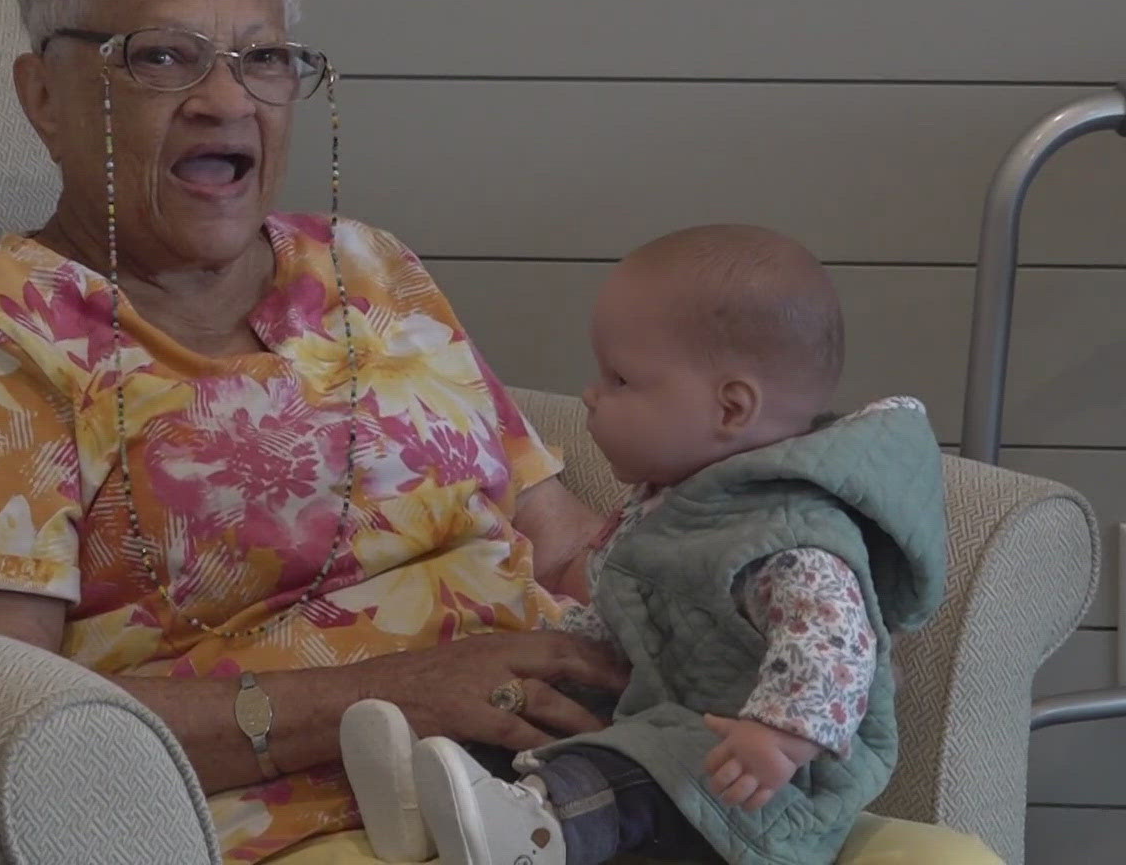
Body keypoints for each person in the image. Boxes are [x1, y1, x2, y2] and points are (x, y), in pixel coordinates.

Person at [0, 0, 626, 863]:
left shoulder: (371, 269)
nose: (226, 99)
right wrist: (390, 699)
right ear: (43, 96)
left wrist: (749, 577)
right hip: (300, 829)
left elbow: (559, 543)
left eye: (262, 58)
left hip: (579, 786)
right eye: (162, 56)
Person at [341, 225, 949, 865]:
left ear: (732, 409)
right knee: (557, 724)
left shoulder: (790, 534)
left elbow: (835, 643)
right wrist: (570, 646)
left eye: (621, 380)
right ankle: (434, 796)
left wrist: (780, 737)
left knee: (637, 768)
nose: (590, 395)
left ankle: (537, 835)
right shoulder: (674, 504)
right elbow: (631, 607)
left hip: (752, 786)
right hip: (663, 717)